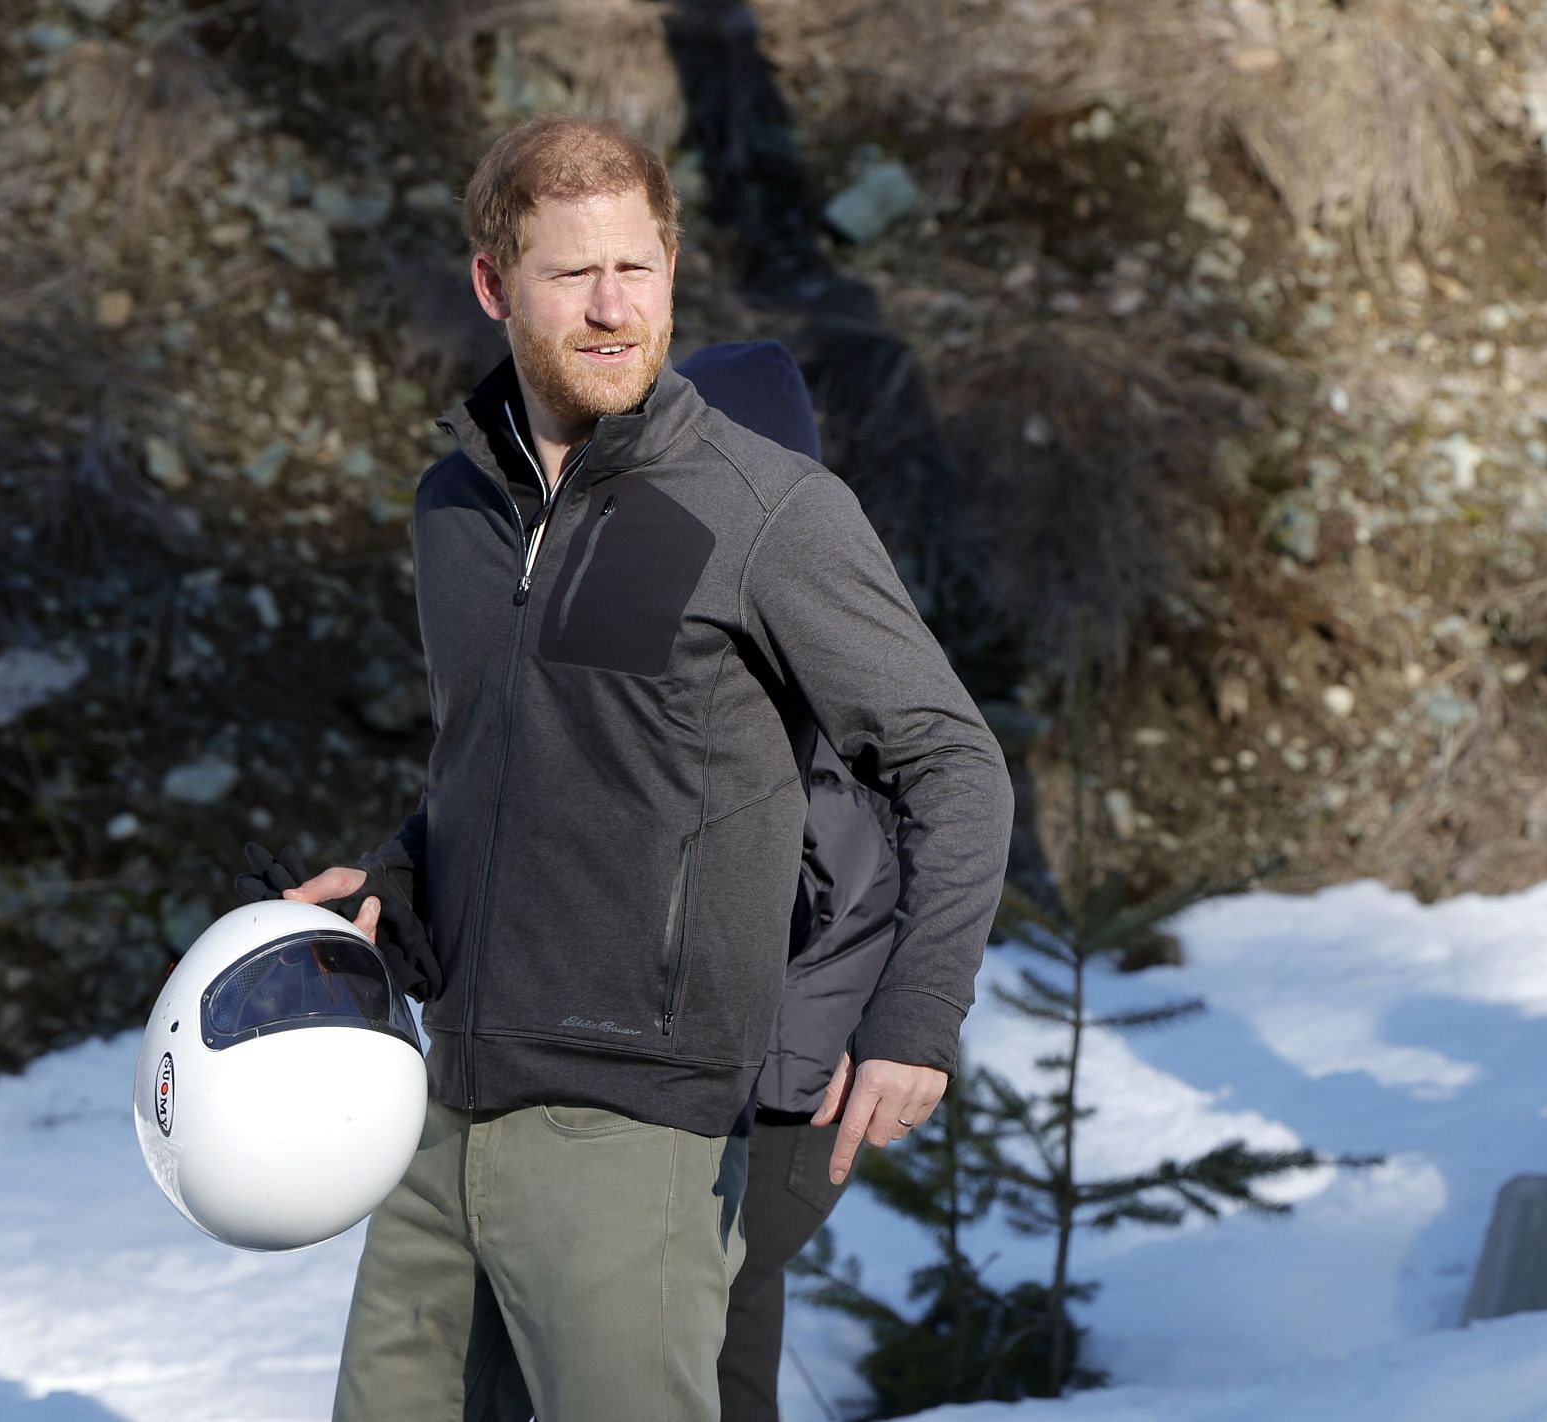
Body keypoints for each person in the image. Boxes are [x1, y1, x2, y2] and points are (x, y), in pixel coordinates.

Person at [256, 114, 1014, 1422]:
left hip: (640, 1122)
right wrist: (396, 879)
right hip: (448, 1107)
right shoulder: (456, 507)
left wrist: (912, 1021)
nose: (614, 309)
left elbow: (951, 761)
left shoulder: (762, 508)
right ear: (495, 286)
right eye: (572, 274)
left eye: (638, 268)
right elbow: (503, 765)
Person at [675, 342, 901, 1422]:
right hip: (774, 1101)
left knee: (690, 1345)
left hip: (773, 1108)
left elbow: (840, 885)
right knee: (727, 1351)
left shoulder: (792, 655)